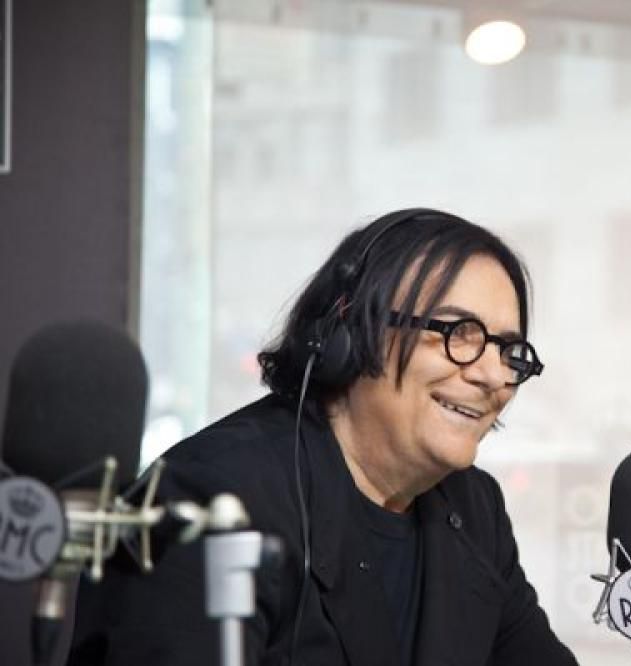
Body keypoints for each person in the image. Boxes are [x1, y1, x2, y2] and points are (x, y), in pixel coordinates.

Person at [68, 208, 578, 666]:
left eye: (508, 351)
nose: (492, 375)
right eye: (457, 332)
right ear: (348, 333)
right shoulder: (211, 500)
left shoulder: (475, 508)